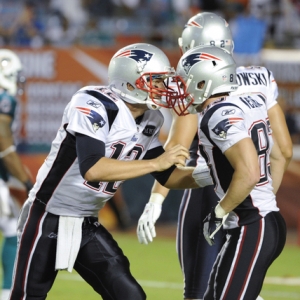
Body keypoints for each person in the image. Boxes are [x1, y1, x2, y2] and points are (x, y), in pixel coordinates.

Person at [8, 43, 203, 300]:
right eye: (156, 81)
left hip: (87, 222)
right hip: (48, 216)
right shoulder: (94, 103)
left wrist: (212, 174)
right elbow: (93, 168)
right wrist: (157, 163)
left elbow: (170, 177)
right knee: (27, 297)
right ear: (130, 83)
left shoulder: (150, 119)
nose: (164, 88)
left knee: (130, 296)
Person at [136, 12, 293, 300]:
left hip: (212, 192)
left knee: (199, 292)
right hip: (254, 201)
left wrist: (155, 199)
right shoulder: (259, 78)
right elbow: (282, 151)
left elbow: (176, 154)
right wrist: (261, 198)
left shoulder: (204, 90)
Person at [173, 45, 287, 299]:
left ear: (205, 82)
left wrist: (219, 212)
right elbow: (280, 154)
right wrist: (265, 200)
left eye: (187, 81)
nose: (183, 89)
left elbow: (248, 173)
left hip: (251, 226)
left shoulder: (217, 114)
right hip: (261, 221)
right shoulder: (249, 100)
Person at [0, 49, 33, 300]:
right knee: (12, 227)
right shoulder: (5, 99)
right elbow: (3, 142)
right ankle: (7, 291)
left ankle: (7, 290)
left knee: (11, 225)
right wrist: (25, 179)